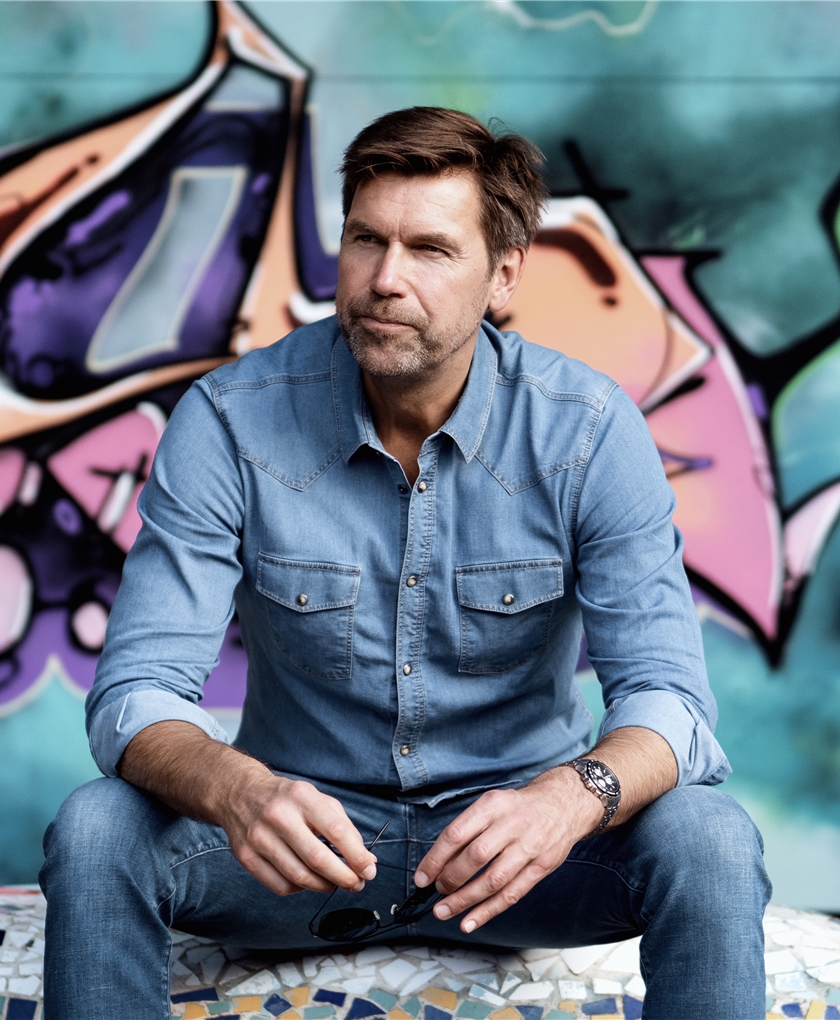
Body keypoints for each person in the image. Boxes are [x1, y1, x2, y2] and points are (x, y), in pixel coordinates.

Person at [40, 107, 770, 1020]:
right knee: (98, 826)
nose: (385, 279)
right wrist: (238, 788)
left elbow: (673, 703)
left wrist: (568, 800)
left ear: (503, 275)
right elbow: (135, 692)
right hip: (298, 855)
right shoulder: (230, 419)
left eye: (430, 249)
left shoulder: (586, 430)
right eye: (365, 240)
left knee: (709, 838)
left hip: (523, 858)